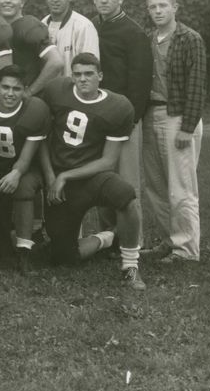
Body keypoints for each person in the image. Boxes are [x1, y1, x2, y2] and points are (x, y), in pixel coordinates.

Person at [38, 53, 146, 290]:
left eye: (88, 74)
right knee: (64, 258)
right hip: (59, 180)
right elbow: (41, 138)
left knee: (126, 196)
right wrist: (51, 177)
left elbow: (108, 160)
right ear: (71, 75)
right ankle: (109, 237)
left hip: (92, 176)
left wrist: (66, 176)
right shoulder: (56, 90)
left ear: (100, 76)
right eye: (77, 74)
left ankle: (130, 266)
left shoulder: (118, 106)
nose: (82, 79)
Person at [141, 0, 207, 263]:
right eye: (153, 6)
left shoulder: (189, 38)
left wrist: (187, 127)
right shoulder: (148, 39)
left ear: (175, 7)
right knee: (155, 187)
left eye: (163, 6)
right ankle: (171, 240)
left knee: (181, 188)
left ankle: (186, 249)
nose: (157, 11)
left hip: (178, 117)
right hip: (150, 115)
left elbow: (197, 85)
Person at [92, 0, 152, 233]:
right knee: (102, 178)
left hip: (125, 117)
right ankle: (109, 235)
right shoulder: (93, 26)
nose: (103, 1)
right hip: (97, 114)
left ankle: (132, 241)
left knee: (127, 182)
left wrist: (133, 118)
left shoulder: (133, 32)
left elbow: (140, 79)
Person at [0, 65, 51, 274]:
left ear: (25, 90)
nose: (10, 94)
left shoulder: (34, 109)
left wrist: (17, 173)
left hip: (21, 170)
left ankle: (24, 252)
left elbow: (27, 155)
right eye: (6, 87)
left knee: (24, 188)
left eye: (17, 89)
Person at [0, 0, 64, 95]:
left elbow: (56, 62)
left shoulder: (28, 26)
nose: (8, 1)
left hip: (26, 102)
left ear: (22, 2)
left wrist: (29, 92)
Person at [40, 0, 99, 74]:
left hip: (72, 88)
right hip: (46, 88)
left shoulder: (84, 27)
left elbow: (90, 70)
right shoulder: (42, 24)